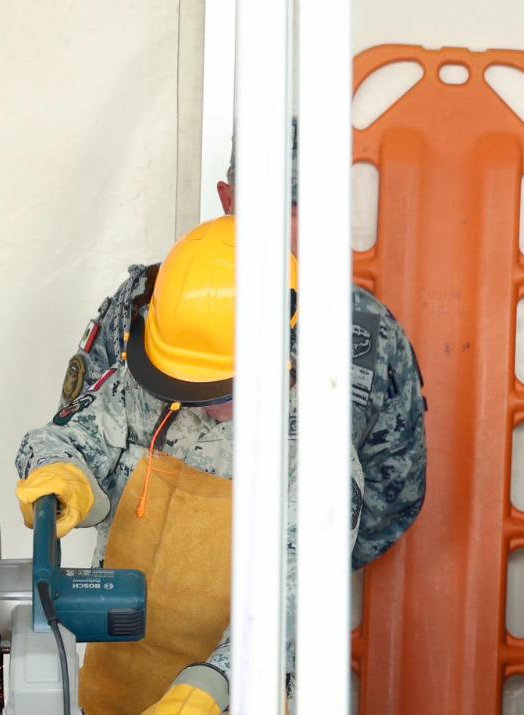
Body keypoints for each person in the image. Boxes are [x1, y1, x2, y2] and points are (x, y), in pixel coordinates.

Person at [16, 213, 426, 715]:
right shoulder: (149, 382)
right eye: (183, 387)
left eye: (220, 389)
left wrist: (211, 683)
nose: (202, 404)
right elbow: (68, 434)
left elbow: (292, 595)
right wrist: (61, 470)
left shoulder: (317, 452)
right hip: (110, 708)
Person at [52, 119, 426, 573]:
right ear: (226, 201)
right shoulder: (154, 300)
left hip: (283, 613)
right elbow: (83, 440)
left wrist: (299, 566)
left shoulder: (370, 338)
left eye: (296, 211)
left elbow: (393, 495)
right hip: (136, 604)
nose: (278, 231)